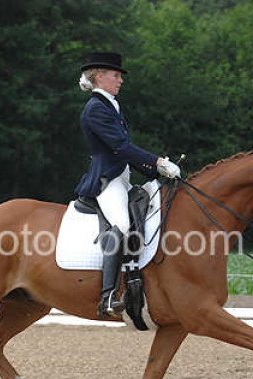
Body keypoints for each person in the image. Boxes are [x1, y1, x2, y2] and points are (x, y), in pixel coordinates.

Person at [74, 51, 181, 317]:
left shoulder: (110, 105)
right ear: (99, 76)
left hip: (121, 177)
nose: (120, 80)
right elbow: (120, 147)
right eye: (116, 75)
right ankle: (108, 296)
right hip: (106, 180)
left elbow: (123, 153)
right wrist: (157, 162)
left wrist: (154, 173)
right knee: (121, 223)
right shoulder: (96, 108)